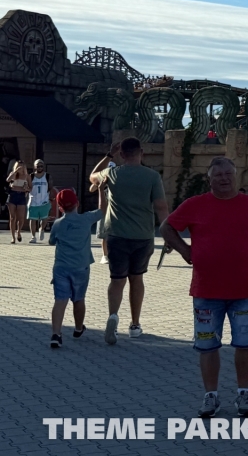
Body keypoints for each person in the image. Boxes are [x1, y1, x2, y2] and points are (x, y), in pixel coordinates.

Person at [160, 156, 248, 418]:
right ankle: (210, 395)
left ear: (236, 176)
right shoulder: (195, 205)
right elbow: (167, 228)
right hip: (206, 291)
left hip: (243, 291)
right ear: (209, 179)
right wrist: (185, 251)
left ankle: (243, 393)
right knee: (208, 345)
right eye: (218, 175)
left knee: (245, 343)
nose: (224, 178)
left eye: (228, 174)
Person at [89, 138, 169, 344]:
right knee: (137, 279)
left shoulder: (112, 173)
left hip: (116, 235)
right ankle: (134, 324)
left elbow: (92, 177)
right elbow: (161, 206)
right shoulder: (152, 176)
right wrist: (168, 233)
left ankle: (113, 316)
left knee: (117, 280)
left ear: (122, 155)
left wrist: (109, 156)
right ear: (141, 152)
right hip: (143, 236)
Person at [48, 189, 106, 347]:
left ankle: (56, 334)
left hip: (60, 268)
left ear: (60, 208)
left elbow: (51, 241)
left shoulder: (58, 224)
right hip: (81, 267)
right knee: (78, 299)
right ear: (77, 203)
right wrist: (101, 189)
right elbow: (103, 209)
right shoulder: (86, 219)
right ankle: (78, 328)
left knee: (60, 300)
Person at [27, 159, 56, 243]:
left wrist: (51, 197)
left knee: (44, 218)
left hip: (44, 200)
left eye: (41, 166)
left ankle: (41, 228)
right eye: (37, 166)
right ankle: (33, 236)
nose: (39, 167)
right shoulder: (31, 176)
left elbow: (50, 187)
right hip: (33, 200)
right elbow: (28, 187)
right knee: (32, 219)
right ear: (34, 167)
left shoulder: (47, 176)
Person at [6, 160, 30, 243]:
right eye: (19, 166)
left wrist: (27, 189)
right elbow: (8, 180)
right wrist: (15, 171)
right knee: (12, 218)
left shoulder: (27, 176)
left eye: (22, 166)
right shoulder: (13, 174)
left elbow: (30, 187)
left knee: (21, 218)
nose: (20, 168)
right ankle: (13, 237)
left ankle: (18, 232)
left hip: (21, 196)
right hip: (12, 195)